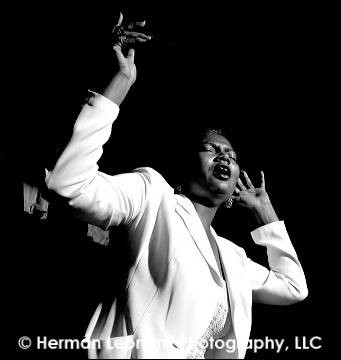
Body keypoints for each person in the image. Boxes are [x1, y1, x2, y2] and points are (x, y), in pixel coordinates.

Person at [45, 13, 308, 359]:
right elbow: (69, 184)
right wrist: (121, 83)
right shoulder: (152, 197)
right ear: (185, 168)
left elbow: (294, 288)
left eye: (230, 153)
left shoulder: (233, 258)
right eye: (210, 149)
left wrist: (266, 214)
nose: (223, 157)